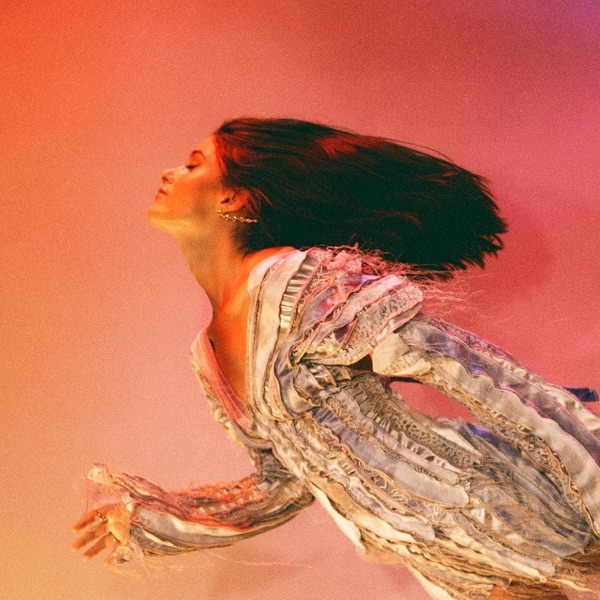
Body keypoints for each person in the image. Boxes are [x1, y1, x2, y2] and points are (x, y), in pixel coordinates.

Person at [72, 118, 600, 599]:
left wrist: (592, 474)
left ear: (235, 197)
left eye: (192, 165)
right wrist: (151, 519)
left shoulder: (299, 285)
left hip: (488, 506)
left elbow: (470, 371)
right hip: (433, 551)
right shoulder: (206, 352)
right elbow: (284, 483)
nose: (168, 172)